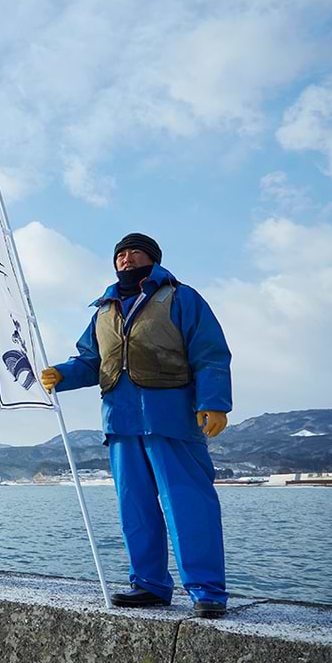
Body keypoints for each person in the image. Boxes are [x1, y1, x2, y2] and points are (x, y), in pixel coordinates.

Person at [40, 232, 232, 619]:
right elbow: (91, 362)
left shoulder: (182, 298)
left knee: (188, 504)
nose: (125, 258)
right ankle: (149, 584)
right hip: (121, 421)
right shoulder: (103, 311)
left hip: (171, 417)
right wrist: (60, 375)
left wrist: (214, 403)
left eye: (134, 251)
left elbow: (209, 352)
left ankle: (207, 589)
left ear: (153, 258)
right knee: (135, 508)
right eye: (120, 254)